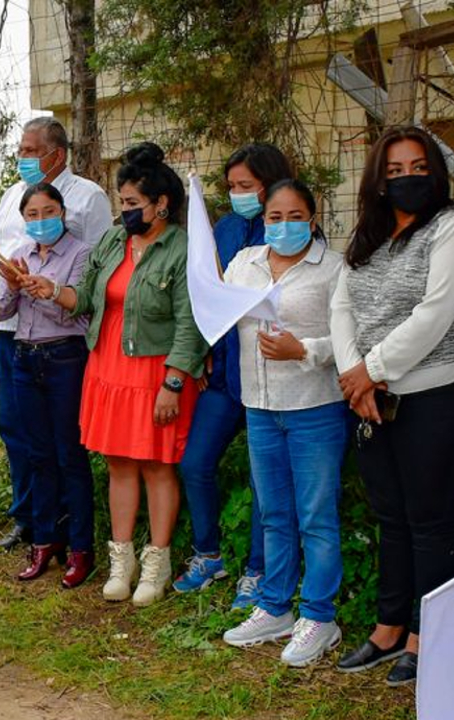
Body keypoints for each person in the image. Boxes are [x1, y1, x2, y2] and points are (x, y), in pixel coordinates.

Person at [24, 142, 207, 607]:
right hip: (108, 366)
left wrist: (174, 381)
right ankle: (120, 561)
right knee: (119, 465)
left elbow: (191, 321)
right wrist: (52, 291)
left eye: (131, 204)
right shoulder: (112, 241)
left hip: (156, 371)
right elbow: (85, 299)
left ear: (161, 204)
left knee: (157, 467)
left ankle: (156, 563)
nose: (123, 212)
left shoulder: (183, 249)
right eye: (121, 202)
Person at [0, 117, 111, 550]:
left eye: (30, 150)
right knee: (16, 426)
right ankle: (31, 519)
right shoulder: (13, 194)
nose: (22, 158)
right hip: (13, 330)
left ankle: (71, 525)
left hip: (63, 338)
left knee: (64, 436)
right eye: (21, 150)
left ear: (57, 154)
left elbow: (99, 267)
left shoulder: (88, 197)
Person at [331, 125, 454, 687]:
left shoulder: (448, 228)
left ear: (437, 172)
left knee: (429, 522)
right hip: (371, 402)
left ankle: (427, 638)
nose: (408, 179)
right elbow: (341, 310)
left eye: (418, 168)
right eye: (395, 171)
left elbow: (436, 314)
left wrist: (369, 371)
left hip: (429, 394)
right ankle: (388, 627)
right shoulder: (369, 238)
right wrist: (356, 379)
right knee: (391, 519)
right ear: (379, 182)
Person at [216, 179, 349, 667]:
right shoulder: (244, 263)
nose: (285, 225)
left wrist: (304, 350)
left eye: (296, 217)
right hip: (259, 404)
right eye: (275, 217)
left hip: (315, 406)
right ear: (264, 220)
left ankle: (319, 615)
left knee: (316, 515)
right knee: (273, 513)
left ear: (312, 221)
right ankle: (274, 606)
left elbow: (352, 340)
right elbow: (217, 308)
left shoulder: (333, 268)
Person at [175, 144, 293, 607]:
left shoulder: (289, 230)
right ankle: (208, 554)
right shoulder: (223, 228)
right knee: (195, 462)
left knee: (265, 480)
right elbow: (207, 290)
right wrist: (205, 351)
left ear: (270, 183)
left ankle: (258, 571)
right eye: (231, 187)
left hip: (269, 374)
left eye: (247, 186)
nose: (238, 194)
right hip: (223, 375)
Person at [0, 183, 96, 588]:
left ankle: (80, 548)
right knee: (38, 455)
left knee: (69, 454)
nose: (41, 221)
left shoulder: (81, 253)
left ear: (63, 212)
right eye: (32, 215)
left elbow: (79, 315)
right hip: (24, 358)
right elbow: (3, 311)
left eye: (48, 211)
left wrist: (50, 291)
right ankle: (43, 541)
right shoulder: (21, 257)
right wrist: (14, 285)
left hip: (64, 359)